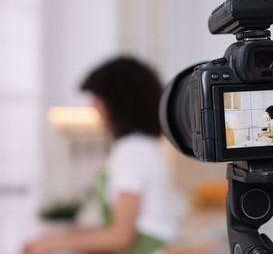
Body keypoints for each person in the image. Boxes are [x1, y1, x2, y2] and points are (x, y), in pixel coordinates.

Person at [24, 57, 177, 254]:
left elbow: (121, 236)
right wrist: (61, 237)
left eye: (98, 98)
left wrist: (52, 244)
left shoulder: (132, 150)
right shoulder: (141, 146)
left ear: (120, 101)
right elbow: (116, 229)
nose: (94, 106)